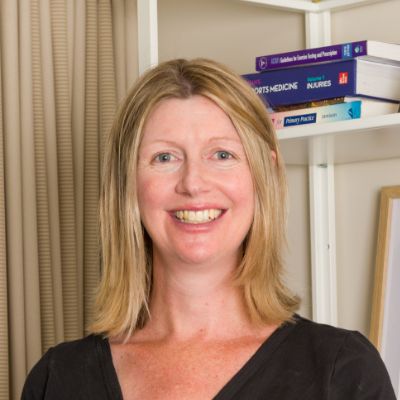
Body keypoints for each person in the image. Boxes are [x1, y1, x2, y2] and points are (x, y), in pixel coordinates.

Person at [22, 58, 396, 400]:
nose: (193, 183)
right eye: (164, 157)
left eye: (222, 155)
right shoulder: (57, 378)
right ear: (127, 184)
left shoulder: (341, 370)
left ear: (263, 174)